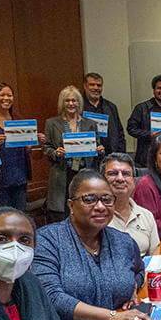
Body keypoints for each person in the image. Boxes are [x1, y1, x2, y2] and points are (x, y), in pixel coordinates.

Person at [33, 169, 154, 320]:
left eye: (107, 200)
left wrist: (133, 285)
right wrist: (113, 317)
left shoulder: (122, 241)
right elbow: (51, 297)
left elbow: (139, 270)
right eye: (89, 199)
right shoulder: (48, 240)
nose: (100, 207)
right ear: (71, 204)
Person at [43, 86, 105, 223]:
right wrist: (55, 152)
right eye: (67, 101)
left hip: (84, 173)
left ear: (79, 103)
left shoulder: (90, 124)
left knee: (84, 208)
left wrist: (100, 150)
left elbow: (97, 148)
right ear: (62, 103)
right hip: (62, 173)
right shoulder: (52, 123)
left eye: (74, 100)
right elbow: (46, 147)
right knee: (63, 212)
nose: (71, 104)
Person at [0, 82, 43, 211]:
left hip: (19, 175)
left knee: (20, 214)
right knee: (2, 215)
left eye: (10, 95)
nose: (6, 98)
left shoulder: (18, 118)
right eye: (2, 95)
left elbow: (24, 149)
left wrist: (33, 143)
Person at [104, 153, 161, 258]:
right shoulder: (95, 216)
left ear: (134, 181)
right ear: (102, 180)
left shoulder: (146, 215)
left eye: (126, 174)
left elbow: (155, 256)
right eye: (113, 173)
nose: (120, 178)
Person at [83, 72, 126, 156]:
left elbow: (120, 133)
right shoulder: (78, 107)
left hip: (109, 155)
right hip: (87, 157)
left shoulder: (111, 107)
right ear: (85, 86)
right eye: (92, 85)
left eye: (99, 85)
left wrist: (120, 155)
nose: (96, 88)